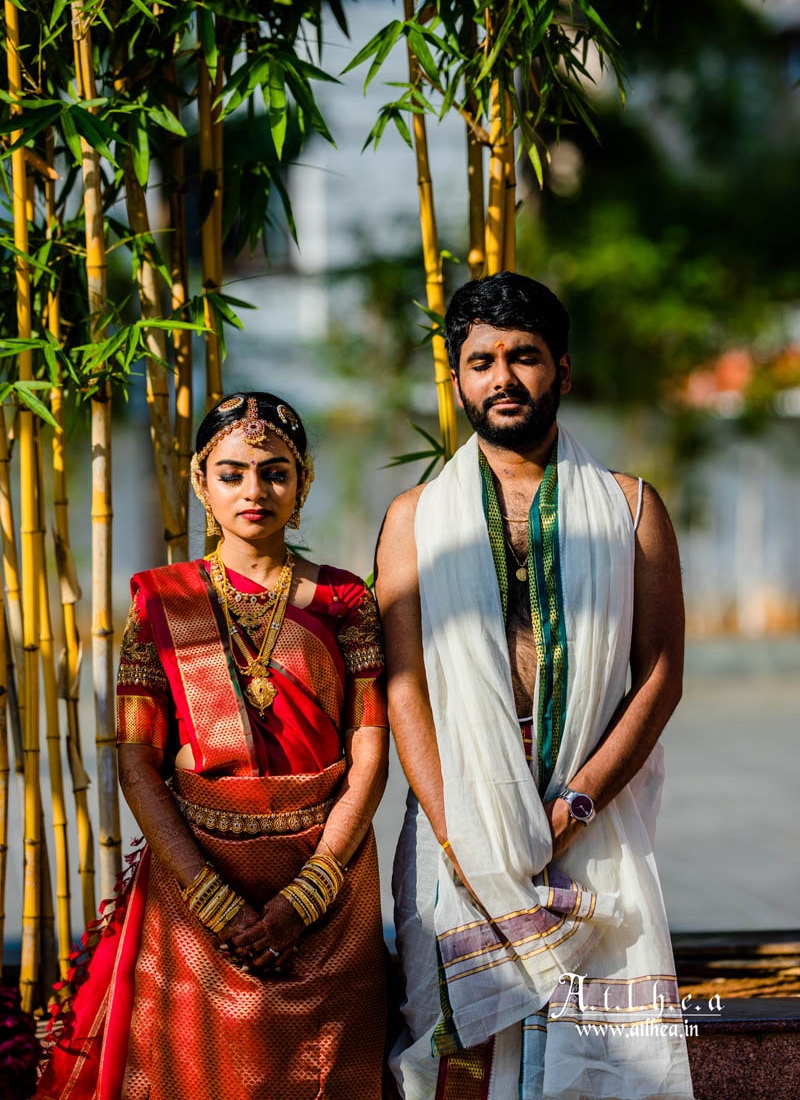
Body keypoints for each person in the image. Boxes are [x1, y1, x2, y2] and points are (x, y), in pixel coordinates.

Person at [375, 274, 694, 1100]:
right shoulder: (414, 517)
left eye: (524, 357)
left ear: (564, 371)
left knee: (601, 1047)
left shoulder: (629, 508)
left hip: (592, 812)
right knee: (451, 1053)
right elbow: (403, 686)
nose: (503, 378)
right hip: (456, 805)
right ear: (457, 381)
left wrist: (577, 801)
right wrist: (458, 828)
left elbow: (659, 674)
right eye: (481, 361)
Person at [38, 392, 389, 1100]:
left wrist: (311, 890)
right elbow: (136, 760)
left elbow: (371, 748)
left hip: (329, 874)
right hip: (196, 876)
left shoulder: (345, 601)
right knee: (196, 1069)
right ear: (200, 482)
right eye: (231, 473)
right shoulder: (161, 604)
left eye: (275, 472)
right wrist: (211, 898)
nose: (253, 491)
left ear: (304, 480)